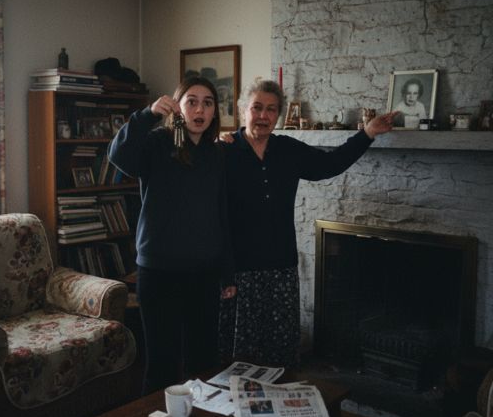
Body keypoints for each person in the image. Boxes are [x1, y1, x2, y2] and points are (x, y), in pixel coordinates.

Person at [220, 78, 398, 368]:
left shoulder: (287, 149)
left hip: (281, 266)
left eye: (271, 109)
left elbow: (330, 163)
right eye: (256, 107)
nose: (263, 115)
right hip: (239, 270)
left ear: (278, 115)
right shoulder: (223, 151)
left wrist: (367, 133)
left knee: (279, 350)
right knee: (241, 354)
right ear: (242, 110)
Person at [108, 77, 235, 394]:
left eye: (207, 103)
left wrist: (227, 272)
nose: (200, 109)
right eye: (192, 101)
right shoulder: (157, 143)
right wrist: (147, 114)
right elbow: (118, 155)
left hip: (204, 274)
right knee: (162, 364)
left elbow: (222, 215)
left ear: (214, 111)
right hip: (159, 273)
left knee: (203, 361)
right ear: (178, 107)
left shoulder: (218, 154)